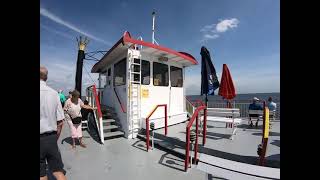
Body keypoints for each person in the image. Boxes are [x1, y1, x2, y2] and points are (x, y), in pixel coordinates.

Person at [40, 66, 67, 180]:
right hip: (51, 137)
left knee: (41, 175)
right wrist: (55, 138)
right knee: (58, 171)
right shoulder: (54, 93)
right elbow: (60, 122)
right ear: (46, 77)